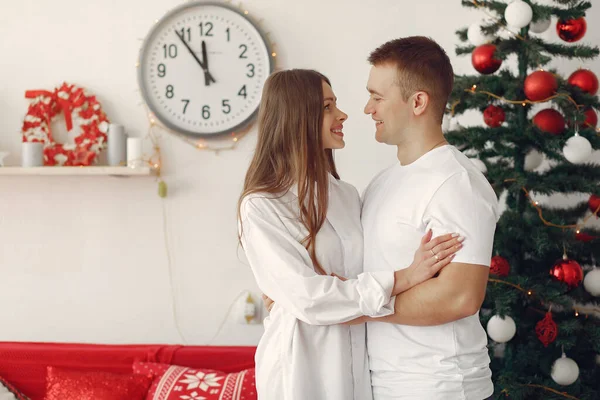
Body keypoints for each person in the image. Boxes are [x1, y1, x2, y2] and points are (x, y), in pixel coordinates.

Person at [237, 69, 463, 400]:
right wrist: (403, 278)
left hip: (359, 360)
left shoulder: (346, 195)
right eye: (327, 106)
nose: (342, 115)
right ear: (297, 116)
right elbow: (310, 298)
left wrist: (335, 291)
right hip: (300, 365)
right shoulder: (261, 205)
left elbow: (355, 275)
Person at [361, 36, 499, 400]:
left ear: (417, 102)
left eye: (377, 97)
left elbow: (459, 298)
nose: (367, 109)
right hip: (385, 383)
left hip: (440, 388)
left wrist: (353, 307)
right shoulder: (381, 184)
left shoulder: (456, 184)